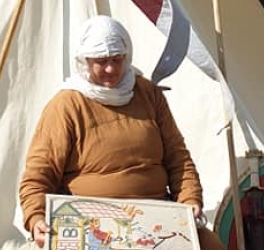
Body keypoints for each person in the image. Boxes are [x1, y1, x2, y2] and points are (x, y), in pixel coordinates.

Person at [19, 15, 226, 250]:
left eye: (117, 60)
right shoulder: (66, 105)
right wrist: (35, 218)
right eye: (101, 61)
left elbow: (178, 159)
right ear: (84, 61)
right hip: (89, 225)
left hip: (155, 217)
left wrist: (189, 199)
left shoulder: (147, 93)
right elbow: (38, 175)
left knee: (209, 244)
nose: (110, 69)